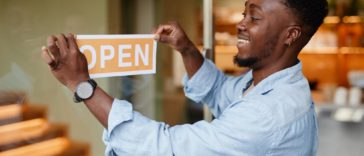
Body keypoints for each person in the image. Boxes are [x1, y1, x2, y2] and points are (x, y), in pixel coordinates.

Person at [41, 0, 328, 155]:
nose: (241, 23)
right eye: (244, 12)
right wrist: (187, 49)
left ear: (291, 35)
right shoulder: (262, 82)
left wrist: (83, 85)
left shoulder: (270, 113)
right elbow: (218, 91)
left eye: (254, 18)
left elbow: (167, 148)